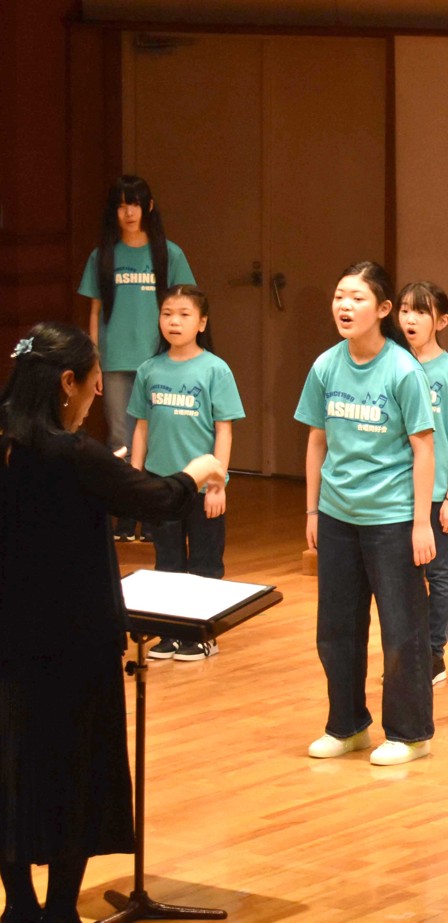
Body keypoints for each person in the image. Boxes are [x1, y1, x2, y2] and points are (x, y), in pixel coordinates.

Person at [0, 321, 224, 923]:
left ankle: (18, 906)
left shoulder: (12, 442)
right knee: (72, 773)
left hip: (9, 642)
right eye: (94, 383)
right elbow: (157, 500)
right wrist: (198, 471)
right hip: (72, 644)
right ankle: (58, 911)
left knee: (12, 772)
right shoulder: (74, 455)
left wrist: (105, 471)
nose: (97, 395)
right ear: (66, 383)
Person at [296, 261, 437, 767]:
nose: (344, 305)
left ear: (382, 309)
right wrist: (313, 509)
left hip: (391, 519)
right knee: (335, 630)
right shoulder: (325, 366)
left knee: (401, 632)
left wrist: (421, 523)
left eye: (357, 298)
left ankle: (411, 734)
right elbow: (317, 440)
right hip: (337, 516)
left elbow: (424, 448)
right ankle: (347, 725)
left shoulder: (403, 370)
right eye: (340, 295)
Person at [77, 175, 196, 542]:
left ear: (149, 207)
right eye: (120, 205)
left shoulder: (169, 254)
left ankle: (157, 517)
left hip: (159, 360)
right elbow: (95, 312)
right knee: (121, 438)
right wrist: (94, 361)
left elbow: (186, 304)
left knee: (158, 436)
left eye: (134, 204)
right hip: (115, 361)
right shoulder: (103, 255)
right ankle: (127, 516)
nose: (128, 212)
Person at [129, 285, 244, 661]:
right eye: (167, 314)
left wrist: (217, 483)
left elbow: (224, 430)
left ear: (202, 322)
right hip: (162, 484)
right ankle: (172, 632)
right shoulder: (149, 369)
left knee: (205, 562)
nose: (174, 321)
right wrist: (136, 479)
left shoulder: (215, 369)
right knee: (167, 561)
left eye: (184, 314)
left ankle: (204, 634)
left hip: (202, 487)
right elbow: (142, 427)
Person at [397, 281, 448, 685]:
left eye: (421, 311)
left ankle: (433, 654)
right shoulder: (393, 363)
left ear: (441, 321)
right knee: (401, 578)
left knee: (439, 574)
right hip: (397, 492)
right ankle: (405, 654)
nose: (410, 319)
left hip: (436, 493)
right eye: (405, 310)